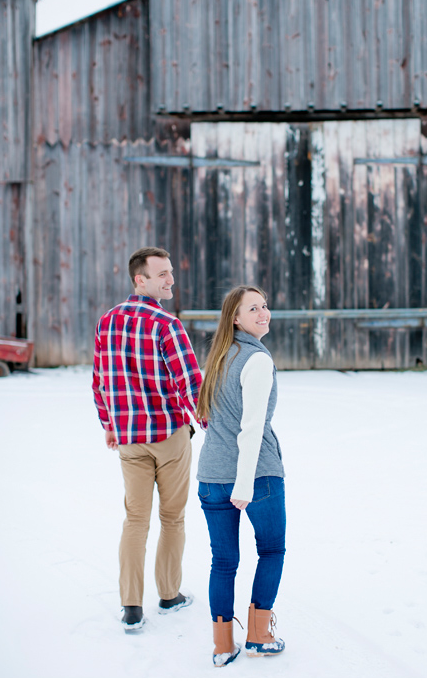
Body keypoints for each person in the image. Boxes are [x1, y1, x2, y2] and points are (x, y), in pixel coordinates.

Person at [91, 246, 200, 632]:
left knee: (135, 520)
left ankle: (131, 608)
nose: (171, 279)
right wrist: (209, 422)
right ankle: (169, 596)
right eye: (162, 274)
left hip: (129, 440)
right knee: (172, 518)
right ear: (141, 279)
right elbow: (190, 382)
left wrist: (109, 422)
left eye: (170, 272)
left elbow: (100, 379)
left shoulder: (107, 321)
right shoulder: (167, 326)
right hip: (169, 436)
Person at [195, 285, 286, 666]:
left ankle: (221, 646)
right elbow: (250, 429)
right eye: (254, 308)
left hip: (210, 477)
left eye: (264, 306)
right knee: (271, 550)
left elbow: (209, 417)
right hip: (256, 477)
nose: (264, 313)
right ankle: (259, 635)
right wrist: (245, 484)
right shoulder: (257, 360)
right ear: (236, 318)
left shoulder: (219, 356)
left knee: (223, 561)